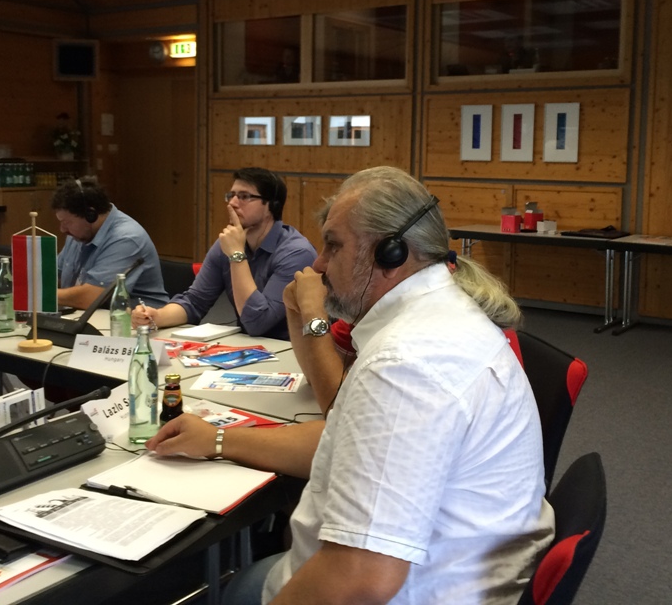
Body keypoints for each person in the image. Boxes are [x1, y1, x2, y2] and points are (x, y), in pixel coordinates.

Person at [146, 166, 554, 605]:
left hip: (415, 589)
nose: (319, 264)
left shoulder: (405, 365)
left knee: (234, 591)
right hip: (451, 567)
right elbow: (345, 436)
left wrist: (311, 316)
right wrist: (219, 439)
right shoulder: (440, 317)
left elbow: (360, 580)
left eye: (334, 245)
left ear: (391, 254)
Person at [133, 168, 316, 341]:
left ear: (270, 206)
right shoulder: (227, 244)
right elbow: (195, 302)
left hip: (293, 350)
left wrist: (237, 256)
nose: (232, 203)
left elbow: (258, 323)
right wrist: (156, 316)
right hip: (250, 347)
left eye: (244, 196)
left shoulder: (296, 253)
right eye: (231, 195)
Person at [52, 177, 168, 310]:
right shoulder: (78, 235)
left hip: (137, 318)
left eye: (67, 222)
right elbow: (53, 276)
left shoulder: (126, 239)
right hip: (92, 315)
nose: (62, 229)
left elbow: (90, 299)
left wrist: (39, 296)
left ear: (90, 214)